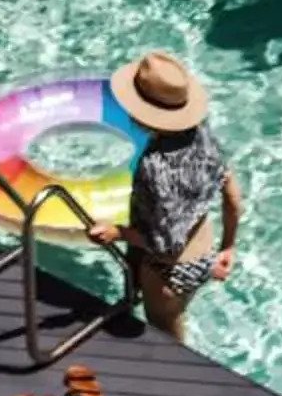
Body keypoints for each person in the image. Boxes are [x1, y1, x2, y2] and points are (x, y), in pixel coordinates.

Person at [92, 48, 241, 343]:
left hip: (169, 272)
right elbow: (234, 200)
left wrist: (117, 233)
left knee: (169, 341)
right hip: (204, 247)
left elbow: (165, 246)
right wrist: (228, 248)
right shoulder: (203, 133)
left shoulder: (154, 167)